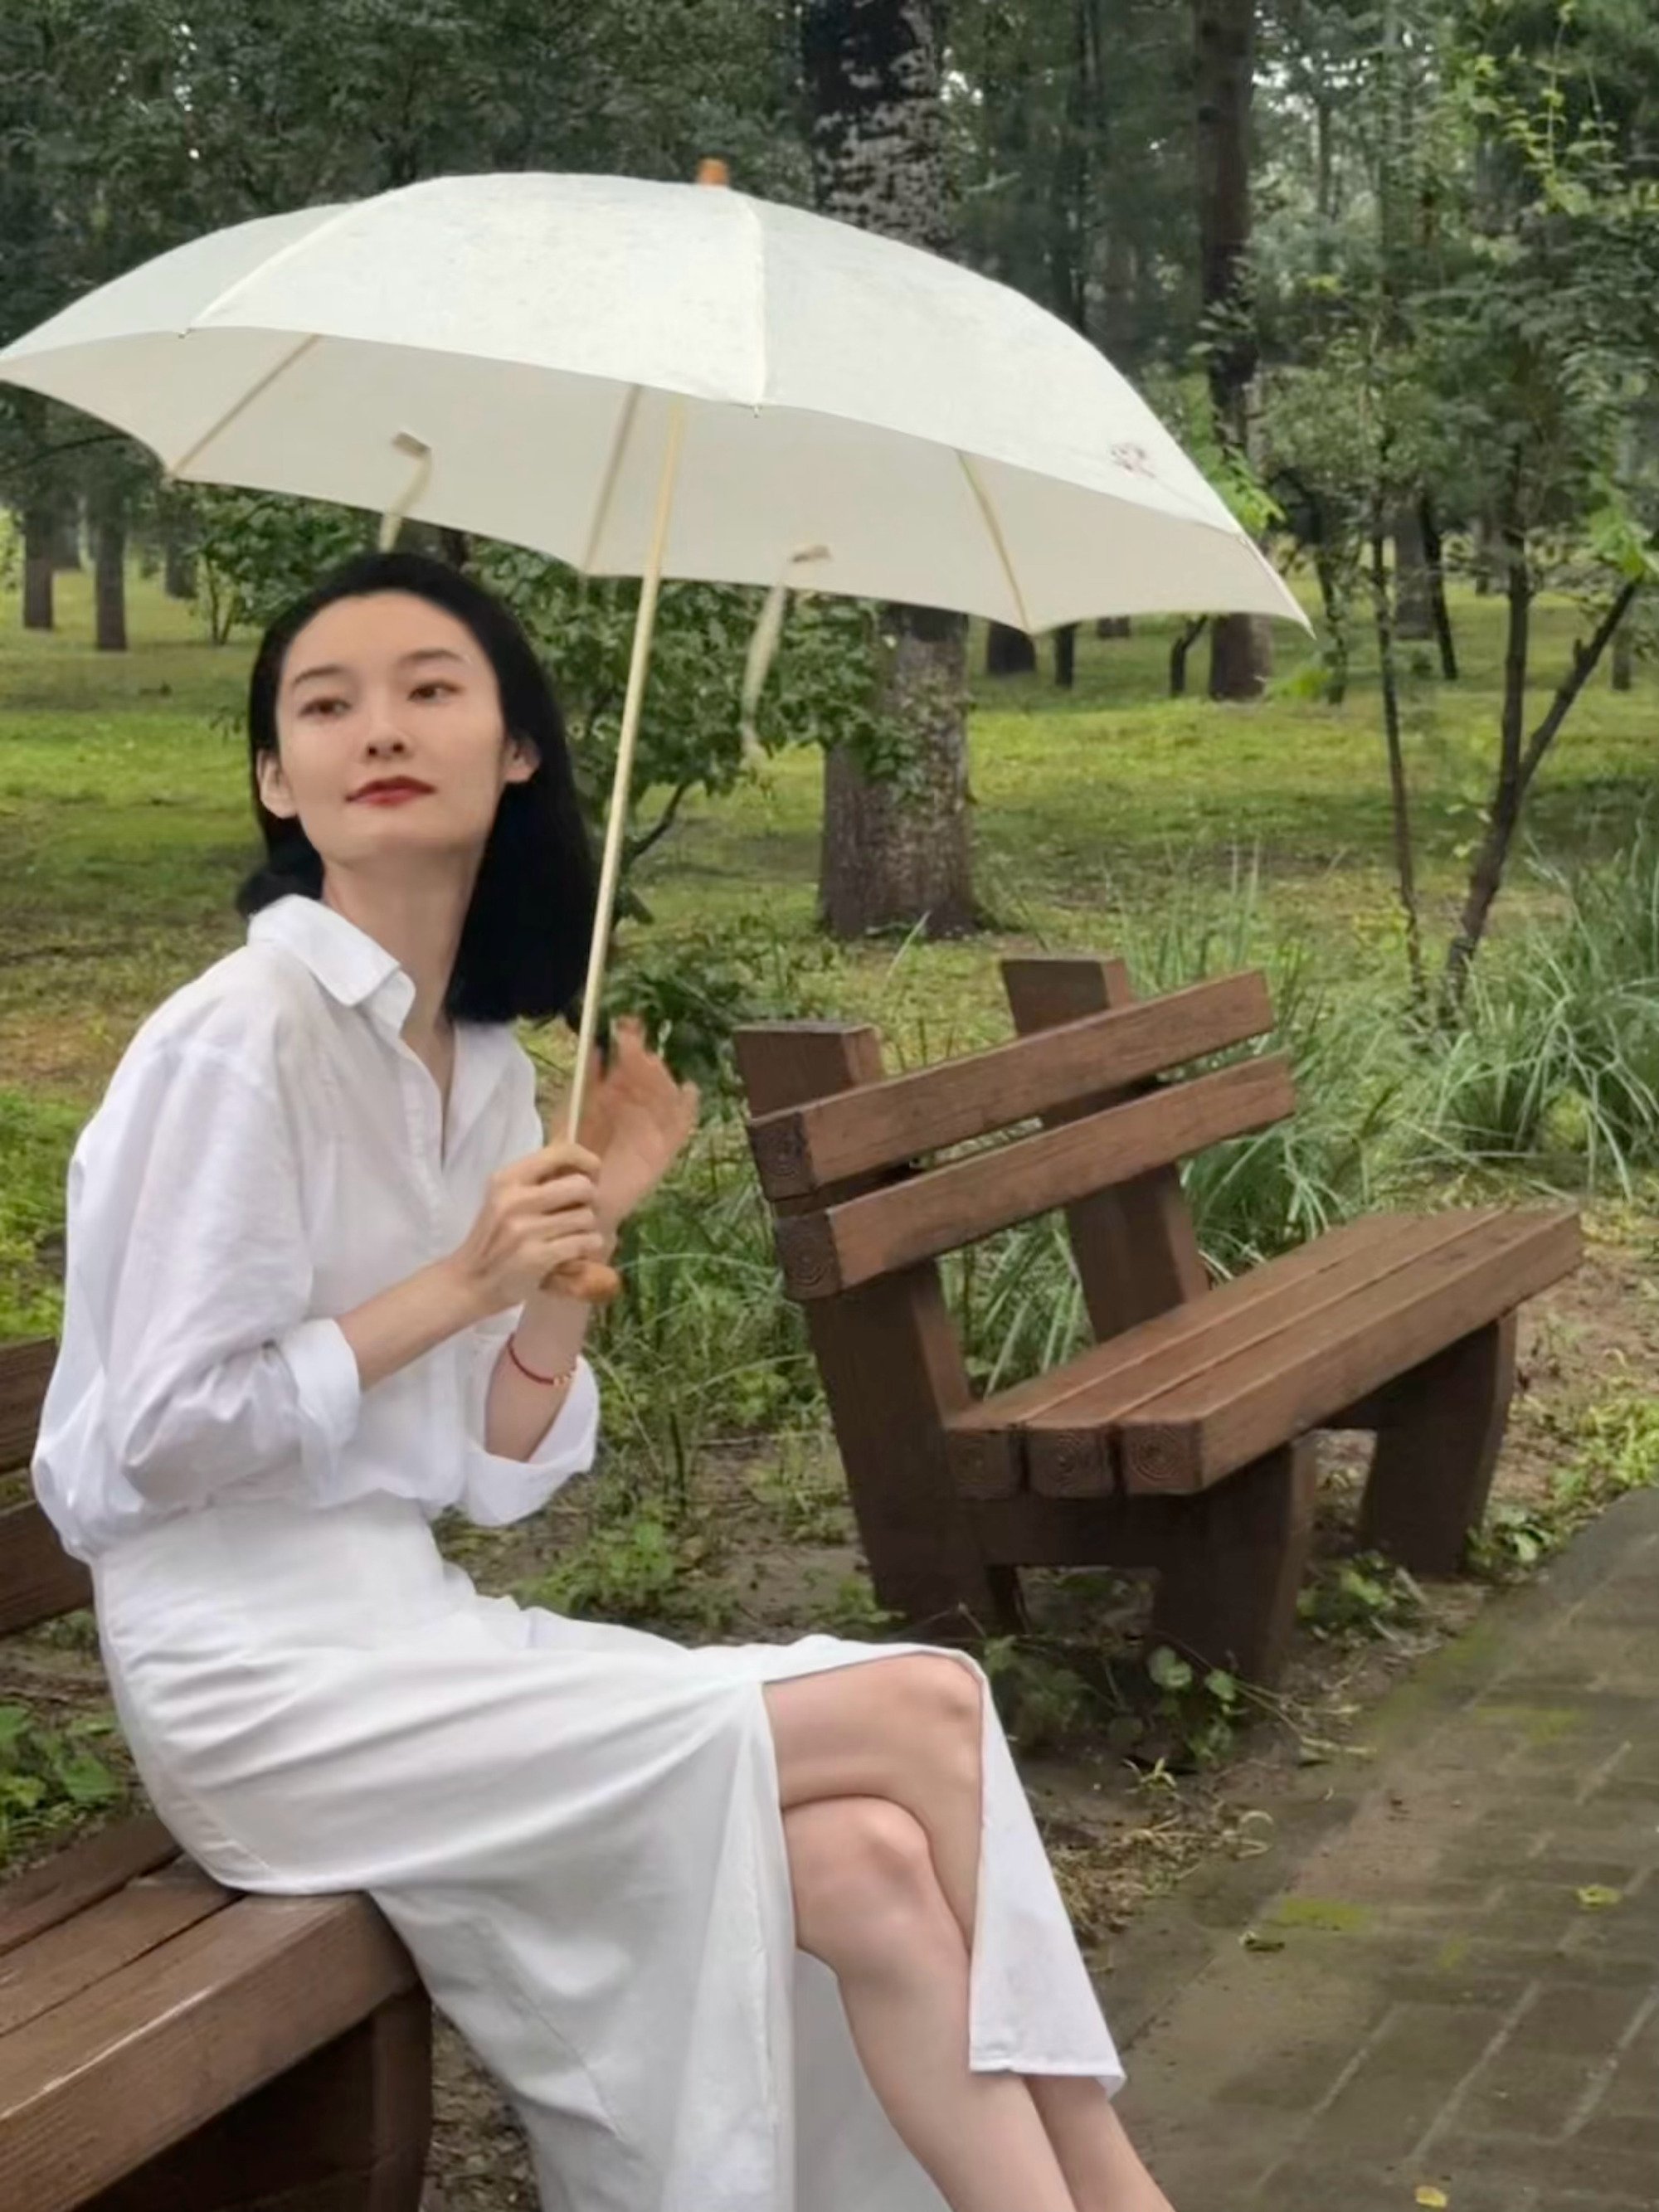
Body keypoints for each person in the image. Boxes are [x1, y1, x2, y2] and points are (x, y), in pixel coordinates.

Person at [31, 549, 1175, 2212]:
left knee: (867, 1867)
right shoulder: (241, 1037)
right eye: (325, 704)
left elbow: (491, 1468)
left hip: (414, 1629)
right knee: (928, 1702)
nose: (378, 728)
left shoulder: (486, 1064)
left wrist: (571, 1260)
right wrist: (458, 1281)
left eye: (430, 688)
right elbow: (147, 1445)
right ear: (278, 778)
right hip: (257, 1684)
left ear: (515, 748)